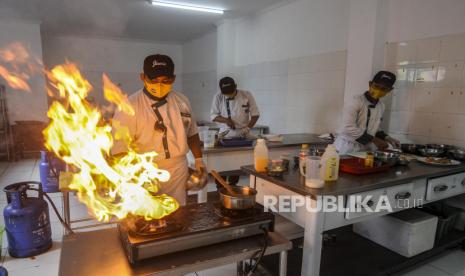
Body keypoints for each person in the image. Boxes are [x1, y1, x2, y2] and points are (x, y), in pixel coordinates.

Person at [111, 54, 205, 206]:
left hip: (177, 171)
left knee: (177, 214)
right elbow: (119, 147)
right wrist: (131, 176)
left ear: (173, 79)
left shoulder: (182, 101)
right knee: (147, 219)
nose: (159, 85)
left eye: (165, 81)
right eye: (153, 80)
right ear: (143, 77)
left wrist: (199, 161)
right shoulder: (129, 106)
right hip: (144, 172)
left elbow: (192, 132)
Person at [334, 71, 401, 155]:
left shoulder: (381, 106)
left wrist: (388, 138)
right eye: (376, 86)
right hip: (346, 147)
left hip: (364, 148)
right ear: (370, 84)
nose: (379, 90)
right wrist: (375, 140)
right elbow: (348, 127)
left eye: (384, 89)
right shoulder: (356, 101)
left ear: (390, 90)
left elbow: (374, 127)